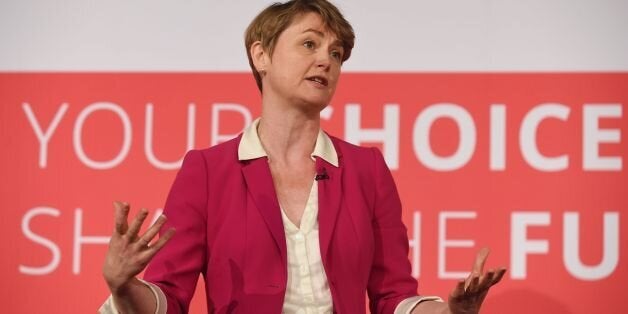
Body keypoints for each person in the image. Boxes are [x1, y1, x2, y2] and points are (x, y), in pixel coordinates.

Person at [100, 1, 506, 313]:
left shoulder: (366, 170)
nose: (325, 60)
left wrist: (447, 311)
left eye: (336, 52)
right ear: (261, 56)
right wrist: (124, 286)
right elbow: (169, 299)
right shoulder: (208, 170)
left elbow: (393, 296)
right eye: (309, 44)